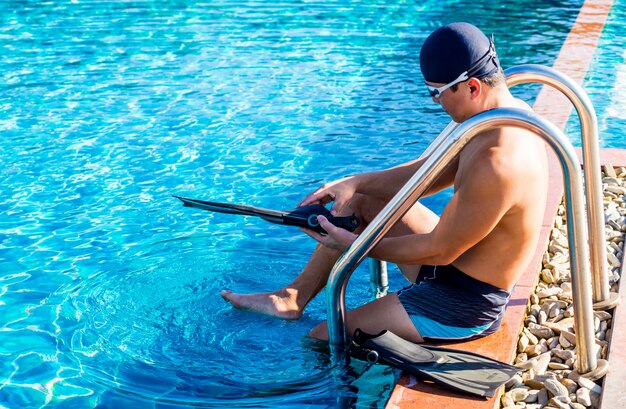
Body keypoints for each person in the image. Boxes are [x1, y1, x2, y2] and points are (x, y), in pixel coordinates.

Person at [221, 22, 548, 343]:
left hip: (464, 302)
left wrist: (352, 246)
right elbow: (427, 174)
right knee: (358, 200)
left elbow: (441, 250)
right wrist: (354, 182)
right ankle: (291, 298)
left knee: (322, 337)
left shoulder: (498, 159)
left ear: (472, 87)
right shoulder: (496, 116)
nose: (434, 102)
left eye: (436, 92)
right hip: (451, 268)